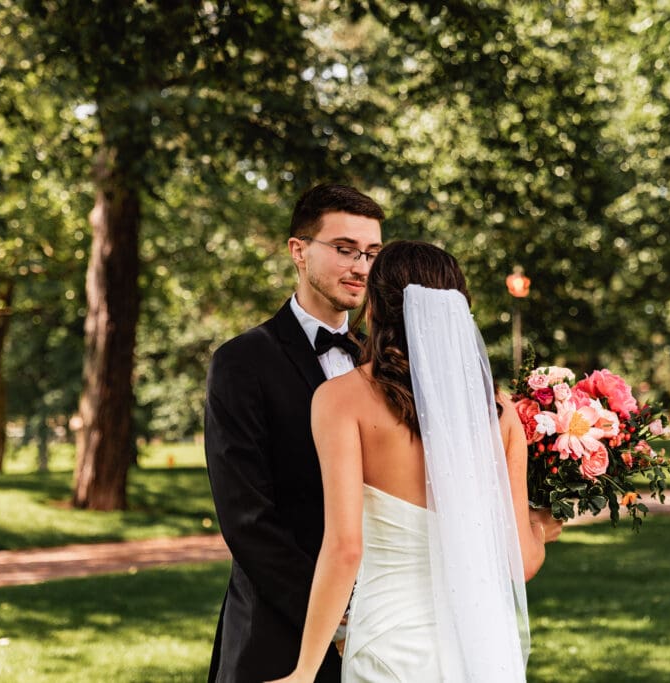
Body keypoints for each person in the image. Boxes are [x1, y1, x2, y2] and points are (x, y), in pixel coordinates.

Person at [266, 241, 563, 683]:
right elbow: (520, 563)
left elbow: (345, 547)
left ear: (375, 311)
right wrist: (539, 526)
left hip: (391, 646)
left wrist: (305, 670)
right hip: (477, 649)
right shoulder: (499, 415)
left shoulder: (340, 400)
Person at [204, 183, 385, 683]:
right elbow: (246, 517)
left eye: (371, 253)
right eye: (345, 250)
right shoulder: (242, 362)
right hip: (276, 627)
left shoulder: (387, 363)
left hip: (386, 626)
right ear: (299, 251)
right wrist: (336, 616)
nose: (361, 267)